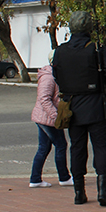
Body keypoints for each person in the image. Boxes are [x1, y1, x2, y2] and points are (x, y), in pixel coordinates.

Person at [52, 11, 106, 206]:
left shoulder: (60, 51)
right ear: (89, 28)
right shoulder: (97, 49)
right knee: (100, 146)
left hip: (72, 107)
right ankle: (102, 192)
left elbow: (57, 76)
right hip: (96, 105)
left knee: (77, 148)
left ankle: (79, 193)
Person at [29, 50, 72, 188]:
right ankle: (64, 177)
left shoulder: (55, 75)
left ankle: (35, 179)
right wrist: (55, 116)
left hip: (45, 118)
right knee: (61, 145)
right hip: (47, 119)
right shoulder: (48, 77)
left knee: (44, 147)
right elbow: (44, 98)